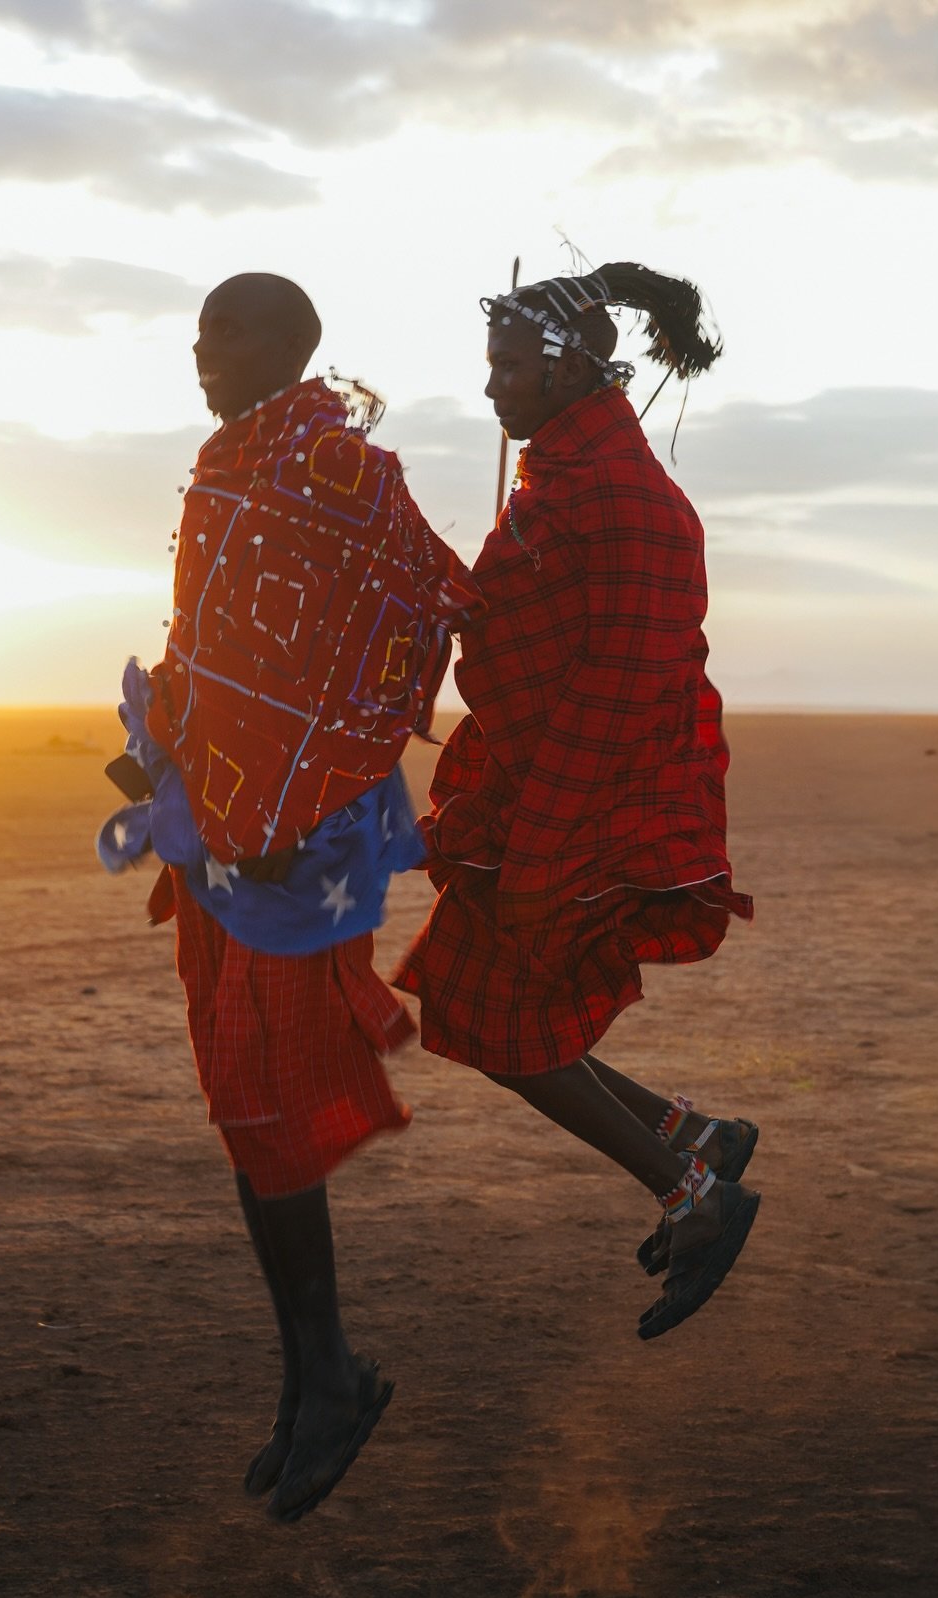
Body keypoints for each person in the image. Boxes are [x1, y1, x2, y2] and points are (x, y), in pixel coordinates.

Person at [99, 273, 480, 1521]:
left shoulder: (346, 475)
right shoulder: (225, 469)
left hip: (302, 839)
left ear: (293, 345)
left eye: (229, 332)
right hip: (217, 824)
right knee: (238, 1100)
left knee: (265, 1097)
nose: (203, 351)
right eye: (200, 333)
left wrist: (308, 766)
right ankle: (314, 1372)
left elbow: (428, 602)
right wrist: (173, 734)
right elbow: (215, 642)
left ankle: (329, 1379)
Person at [395, 262, 760, 1339]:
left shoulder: (632, 503)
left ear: (566, 367)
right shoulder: (561, 480)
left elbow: (620, 687)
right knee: (479, 1009)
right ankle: (695, 1140)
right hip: (533, 790)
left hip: (585, 803)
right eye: (492, 364)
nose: (493, 387)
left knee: (507, 1029)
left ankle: (699, 1197)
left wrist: (546, 845)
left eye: (510, 365)